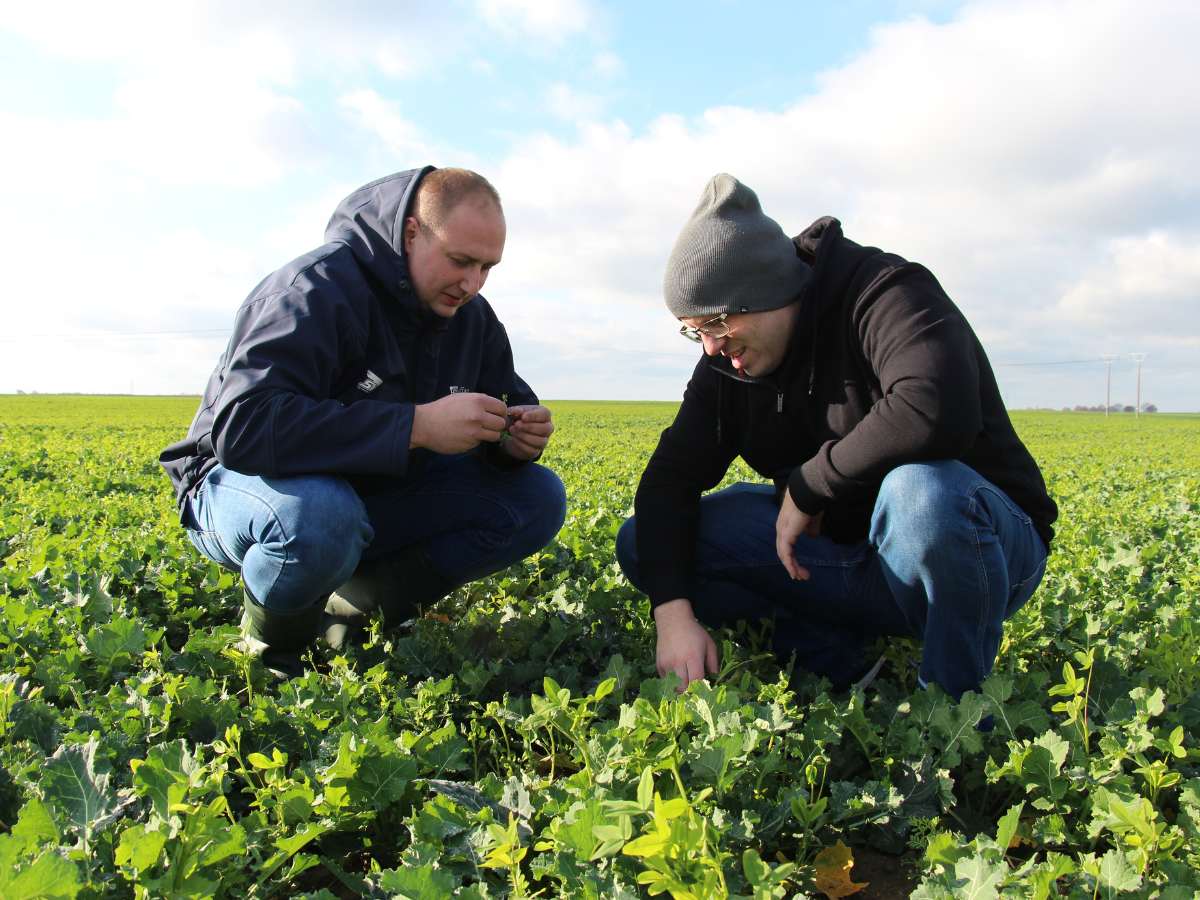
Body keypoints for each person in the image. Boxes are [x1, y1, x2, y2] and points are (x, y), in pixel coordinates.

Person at [616, 174, 1057, 699]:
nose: (709, 348)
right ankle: (829, 644)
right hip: (845, 555)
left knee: (921, 493)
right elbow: (670, 479)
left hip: (982, 550)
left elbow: (935, 405)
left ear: (762, 292)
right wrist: (672, 616)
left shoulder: (883, 291)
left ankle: (954, 709)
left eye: (715, 324)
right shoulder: (728, 366)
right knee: (645, 544)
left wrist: (810, 484)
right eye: (695, 332)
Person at [160, 166, 566, 677]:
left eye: (487, 267)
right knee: (321, 517)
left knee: (535, 498)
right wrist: (415, 427)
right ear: (412, 232)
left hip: (370, 495)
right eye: (461, 261)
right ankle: (274, 658)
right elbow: (242, 427)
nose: (472, 284)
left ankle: (351, 611)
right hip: (233, 486)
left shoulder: (472, 318)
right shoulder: (315, 289)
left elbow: (506, 398)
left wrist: (515, 440)